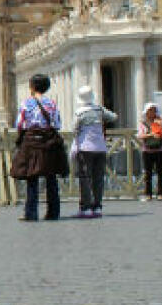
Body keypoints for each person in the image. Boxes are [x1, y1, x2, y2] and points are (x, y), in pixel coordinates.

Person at [15, 74, 62, 221]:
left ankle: (31, 212)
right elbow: (57, 124)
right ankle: (53, 212)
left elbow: (20, 124)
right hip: (49, 142)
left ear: (32, 87)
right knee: (51, 178)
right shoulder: (52, 104)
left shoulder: (26, 104)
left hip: (32, 142)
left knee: (32, 177)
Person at [69, 86, 117, 218]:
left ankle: (86, 207)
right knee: (98, 178)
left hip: (85, 149)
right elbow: (113, 117)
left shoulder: (79, 112)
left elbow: (74, 128)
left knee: (85, 179)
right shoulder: (99, 109)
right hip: (100, 148)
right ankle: (97, 207)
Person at [137, 102, 162, 201]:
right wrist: (151, 135)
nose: (152, 112)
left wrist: (160, 131)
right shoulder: (143, 123)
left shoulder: (160, 122)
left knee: (160, 173)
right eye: (150, 110)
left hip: (159, 149)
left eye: (153, 110)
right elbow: (140, 136)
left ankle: (161, 193)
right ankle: (148, 194)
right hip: (147, 150)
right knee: (148, 173)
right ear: (146, 112)